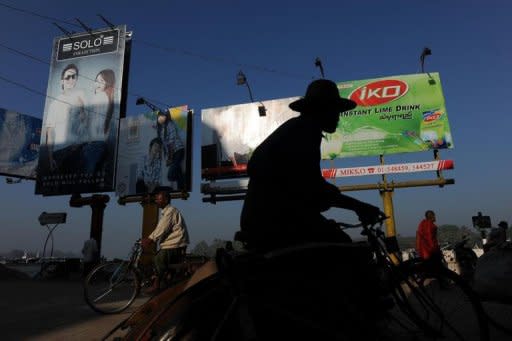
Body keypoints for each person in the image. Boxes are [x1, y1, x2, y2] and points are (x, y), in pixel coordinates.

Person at [239, 79, 383, 251]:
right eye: (335, 111)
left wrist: (338, 198)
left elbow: (307, 184)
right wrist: (358, 206)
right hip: (273, 221)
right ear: (322, 109)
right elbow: (310, 186)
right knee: (341, 245)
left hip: (264, 218)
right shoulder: (305, 133)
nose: (338, 117)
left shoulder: (298, 129)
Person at [40, 64, 88, 175]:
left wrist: (82, 108)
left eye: (74, 76)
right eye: (68, 77)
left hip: (78, 149)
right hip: (60, 151)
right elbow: (50, 132)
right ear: (62, 81)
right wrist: (50, 157)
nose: (71, 79)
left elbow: (86, 125)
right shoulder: (54, 104)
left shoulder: (81, 98)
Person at [142, 189, 189, 294]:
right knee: (159, 259)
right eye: (156, 199)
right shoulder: (166, 212)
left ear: (166, 199)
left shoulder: (170, 211)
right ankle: (166, 281)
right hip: (172, 243)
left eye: (159, 199)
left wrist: (150, 239)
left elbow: (162, 228)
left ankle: (156, 285)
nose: (156, 201)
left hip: (176, 243)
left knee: (158, 259)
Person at [81, 69, 116, 174]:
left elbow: (88, 124)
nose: (97, 84)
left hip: (93, 145)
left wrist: (82, 109)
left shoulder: (98, 97)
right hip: (102, 145)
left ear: (107, 83)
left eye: (102, 81)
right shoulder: (109, 100)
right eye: (97, 80)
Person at [156, 111, 185, 190]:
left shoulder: (169, 124)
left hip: (178, 150)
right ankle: (182, 187)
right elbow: (164, 145)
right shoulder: (161, 129)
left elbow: (171, 143)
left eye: (162, 116)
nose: (160, 118)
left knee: (170, 176)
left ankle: (184, 180)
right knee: (178, 174)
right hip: (173, 153)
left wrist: (170, 158)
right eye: (159, 116)